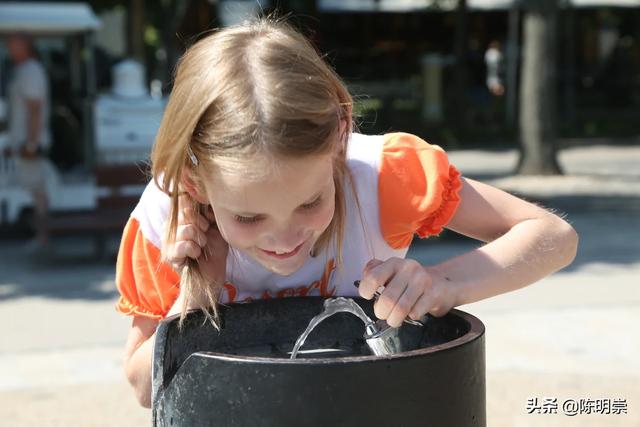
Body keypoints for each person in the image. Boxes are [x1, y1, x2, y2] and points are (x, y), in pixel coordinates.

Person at [116, 19, 578, 408]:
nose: (285, 239)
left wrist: (443, 282)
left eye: (310, 203)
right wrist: (198, 295)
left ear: (339, 138)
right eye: (249, 218)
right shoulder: (171, 219)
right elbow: (143, 386)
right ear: (198, 183)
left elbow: (552, 235)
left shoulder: (382, 179)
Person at [4, 33, 52, 250]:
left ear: (25, 46)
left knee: (37, 190)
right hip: (24, 143)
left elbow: (35, 109)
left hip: (29, 144)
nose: (8, 48)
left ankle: (42, 237)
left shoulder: (31, 71)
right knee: (34, 189)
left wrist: (31, 144)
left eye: (12, 43)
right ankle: (41, 235)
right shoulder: (24, 70)